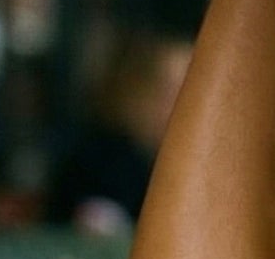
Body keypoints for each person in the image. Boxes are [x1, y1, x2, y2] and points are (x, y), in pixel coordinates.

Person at [46, 29, 192, 232]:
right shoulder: (106, 163)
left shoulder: (166, 161)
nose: (189, 105)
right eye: (173, 92)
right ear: (137, 93)